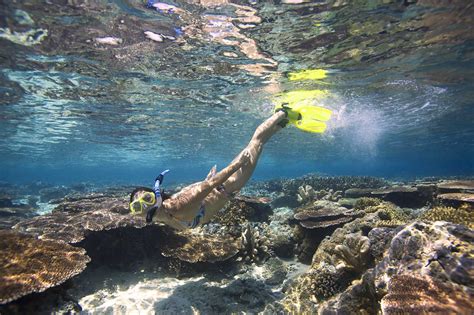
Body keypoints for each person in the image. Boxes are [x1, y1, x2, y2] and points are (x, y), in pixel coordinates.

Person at [129, 104, 331, 230]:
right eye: (137, 206)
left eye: (146, 199)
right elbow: (200, 188)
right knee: (258, 144)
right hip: (221, 188)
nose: (144, 206)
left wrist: (236, 165)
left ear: (155, 197)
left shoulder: (178, 206)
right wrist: (207, 181)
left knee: (256, 142)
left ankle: (281, 112)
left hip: (229, 185)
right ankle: (281, 123)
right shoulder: (165, 216)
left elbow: (207, 188)